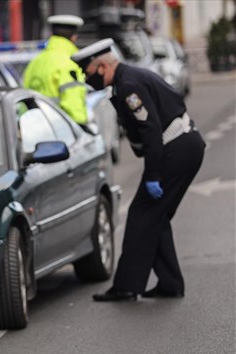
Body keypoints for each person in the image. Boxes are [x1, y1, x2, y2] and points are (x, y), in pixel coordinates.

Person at [70, 38, 206, 302]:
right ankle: (169, 283)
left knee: (142, 214)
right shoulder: (126, 81)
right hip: (182, 145)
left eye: (87, 73)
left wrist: (153, 176)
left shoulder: (129, 86)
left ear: (101, 67)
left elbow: (151, 130)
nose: (87, 80)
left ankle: (127, 286)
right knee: (155, 215)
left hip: (176, 148)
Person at [23, 14, 88, 127]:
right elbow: (72, 102)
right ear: (73, 37)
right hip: (61, 130)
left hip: (34, 128)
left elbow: (23, 97)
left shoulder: (35, 62)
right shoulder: (69, 63)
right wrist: (82, 126)